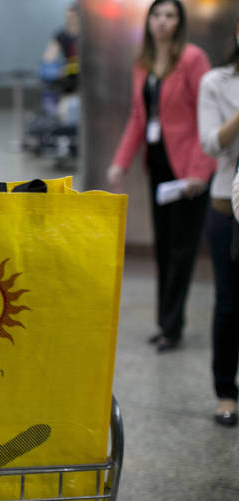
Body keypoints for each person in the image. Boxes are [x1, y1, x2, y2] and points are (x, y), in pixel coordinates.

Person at [106, 0, 214, 353]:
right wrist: (120, 162)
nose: (163, 21)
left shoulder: (193, 59)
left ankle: (171, 326)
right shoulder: (145, 63)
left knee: (183, 250)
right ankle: (167, 322)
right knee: (165, 247)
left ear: (179, 23)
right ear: (149, 20)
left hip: (190, 170)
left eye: (170, 16)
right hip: (159, 168)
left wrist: (201, 169)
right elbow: (139, 118)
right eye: (157, 15)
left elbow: (207, 116)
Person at [198, 19, 239, 427]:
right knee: (229, 304)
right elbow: (211, 143)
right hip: (229, 204)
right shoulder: (215, 82)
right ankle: (226, 391)